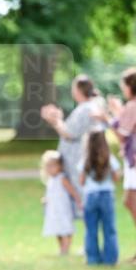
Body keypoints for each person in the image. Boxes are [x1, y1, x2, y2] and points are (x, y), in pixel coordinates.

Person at [102, 67, 136, 264]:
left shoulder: (134, 105)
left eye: (123, 87)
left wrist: (106, 118)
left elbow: (122, 135)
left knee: (134, 205)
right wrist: (117, 110)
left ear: (129, 87)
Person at [40, 75, 99, 213]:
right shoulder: (88, 107)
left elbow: (69, 133)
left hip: (75, 161)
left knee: (76, 200)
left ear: (78, 90)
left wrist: (54, 120)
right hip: (78, 160)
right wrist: (58, 120)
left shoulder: (85, 109)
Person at [78, 131, 120, 266]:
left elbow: (82, 181)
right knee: (109, 228)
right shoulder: (110, 158)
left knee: (91, 229)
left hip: (90, 196)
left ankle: (93, 258)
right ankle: (110, 259)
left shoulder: (85, 160)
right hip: (107, 195)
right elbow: (116, 177)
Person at [40, 150, 80, 254]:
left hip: (62, 208)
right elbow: (50, 193)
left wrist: (78, 201)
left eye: (53, 166)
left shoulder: (62, 178)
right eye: (48, 166)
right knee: (57, 228)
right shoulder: (50, 180)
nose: (50, 169)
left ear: (60, 166)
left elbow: (73, 191)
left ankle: (66, 249)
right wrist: (45, 200)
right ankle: (61, 248)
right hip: (53, 209)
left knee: (65, 228)